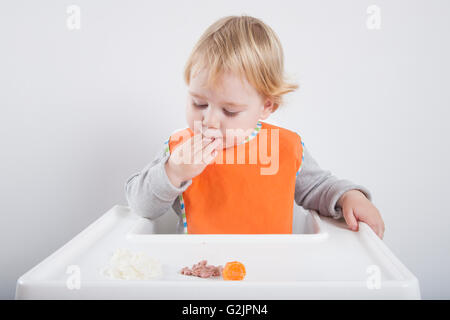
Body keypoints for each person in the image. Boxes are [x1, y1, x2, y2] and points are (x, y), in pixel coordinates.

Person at [125, 15, 385, 238]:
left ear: (266, 107)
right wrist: (173, 171)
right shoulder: (181, 150)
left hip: (271, 273)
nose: (209, 121)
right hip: (199, 273)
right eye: (198, 103)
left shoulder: (284, 147)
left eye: (230, 110)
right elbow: (140, 206)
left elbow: (318, 188)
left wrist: (349, 197)